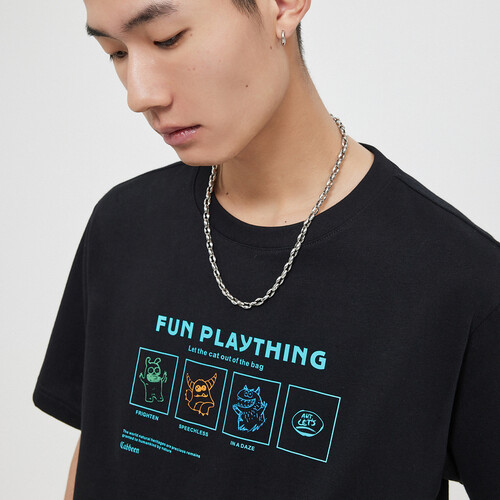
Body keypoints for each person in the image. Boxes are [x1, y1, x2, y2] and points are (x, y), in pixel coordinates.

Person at [32, 0, 499, 499]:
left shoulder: (460, 280)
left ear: (283, 6)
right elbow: (100, 449)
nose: (139, 94)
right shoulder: (123, 225)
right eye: (116, 52)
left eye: (168, 38)